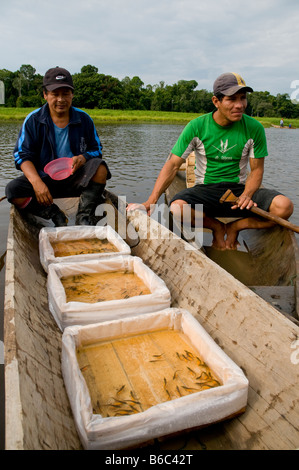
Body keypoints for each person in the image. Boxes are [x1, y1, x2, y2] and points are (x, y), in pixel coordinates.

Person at [127, 72, 294, 250]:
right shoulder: (197, 126)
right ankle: (216, 226)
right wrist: (151, 201)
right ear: (216, 101)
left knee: (284, 207)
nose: (239, 105)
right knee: (176, 209)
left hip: (238, 191)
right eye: (232, 99)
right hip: (206, 191)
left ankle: (237, 226)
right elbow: (173, 165)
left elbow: (257, 170)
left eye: (243, 98)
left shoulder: (254, 128)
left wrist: (247, 195)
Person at [5, 66, 111, 226]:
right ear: (45, 95)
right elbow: (21, 156)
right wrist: (37, 183)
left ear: (72, 95)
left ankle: (84, 216)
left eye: (66, 94)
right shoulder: (33, 120)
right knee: (13, 191)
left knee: (100, 168)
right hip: (45, 180)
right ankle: (54, 213)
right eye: (55, 94)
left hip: (75, 178)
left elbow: (97, 150)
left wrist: (83, 158)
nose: (61, 100)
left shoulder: (84, 119)